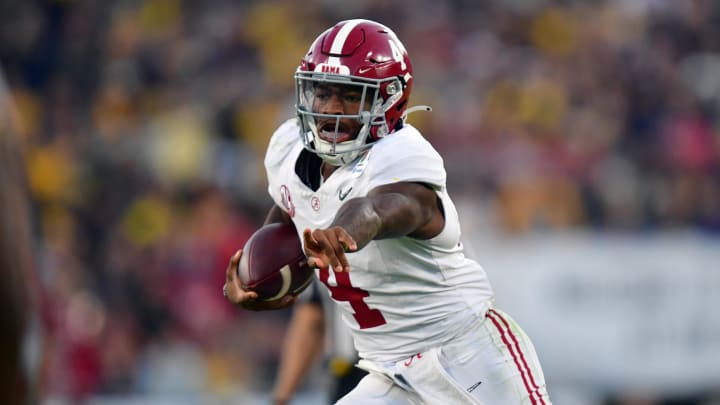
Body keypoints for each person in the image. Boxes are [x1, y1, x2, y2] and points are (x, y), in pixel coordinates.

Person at [224, 19, 552, 404]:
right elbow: (289, 211)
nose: (331, 110)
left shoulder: (404, 154)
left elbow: (381, 208)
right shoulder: (288, 149)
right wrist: (261, 275)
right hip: (389, 372)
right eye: (323, 92)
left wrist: (344, 232)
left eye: (349, 96)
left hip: (467, 355)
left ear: (388, 99)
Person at [271, 281, 367, 405]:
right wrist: (282, 395)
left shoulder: (320, 265)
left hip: (362, 371)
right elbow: (310, 322)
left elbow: (310, 323)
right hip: (349, 374)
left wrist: (282, 395)